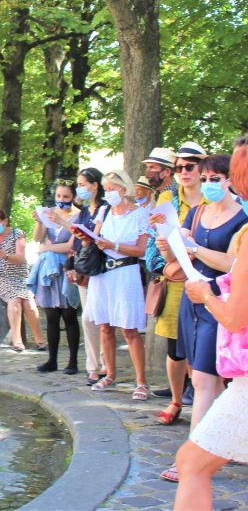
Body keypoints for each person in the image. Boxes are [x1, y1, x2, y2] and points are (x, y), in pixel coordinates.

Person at [157, 153, 248, 482]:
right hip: (192, 299)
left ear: (230, 180)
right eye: (204, 178)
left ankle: (193, 456)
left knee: (205, 380)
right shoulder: (195, 212)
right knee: (204, 375)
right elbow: (174, 250)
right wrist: (166, 239)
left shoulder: (242, 220)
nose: (208, 184)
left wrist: (193, 248)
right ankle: (222, 445)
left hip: (221, 302)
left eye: (215, 179)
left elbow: (233, 266)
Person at [148, 142, 207, 426]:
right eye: (179, 167)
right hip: (176, 282)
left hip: (210, 279)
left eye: (190, 166)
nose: (184, 172)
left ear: (202, 167)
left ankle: (205, 402)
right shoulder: (167, 201)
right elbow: (159, 247)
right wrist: (165, 255)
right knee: (176, 347)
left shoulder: (215, 198)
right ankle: (176, 399)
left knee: (207, 347)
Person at [80, 170, 150, 400]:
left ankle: (141, 381)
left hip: (126, 271)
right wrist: (87, 239)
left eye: (112, 189)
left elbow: (141, 250)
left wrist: (115, 245)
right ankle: (109, 373)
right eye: (106, 189)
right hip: (103, 273)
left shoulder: (140, 214)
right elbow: (96, 237)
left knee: (129, 328)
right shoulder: (104, 211)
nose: (108, 193)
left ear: (124, 189)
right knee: (105, 325)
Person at [30, 180, 81, 374]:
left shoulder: (78, 215)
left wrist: (47, 247)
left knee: (69, 314)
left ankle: (73, 361)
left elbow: (71, 244)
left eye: (66, 197)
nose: (61, 200)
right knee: (51, 315)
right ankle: (52, 359)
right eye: (59, 196)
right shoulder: (49, 212)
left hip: (68, 264)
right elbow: (37, 238)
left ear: (73, 197)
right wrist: (40, 221)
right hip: (49, 267)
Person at [0, 209, 44, 351]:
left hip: (19, 277)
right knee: (14, 299)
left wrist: (6, 256)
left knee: (29, 303)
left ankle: (39, 339)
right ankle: (17, 340)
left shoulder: (17, 234)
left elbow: (20, 258)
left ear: (5, 222)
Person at [70, 167, 108, 385]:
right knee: (89, 318)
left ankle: (103, 364)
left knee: (94, 318)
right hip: (85, 269)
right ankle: (93, 366)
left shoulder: (104, 209)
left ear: (95, 186)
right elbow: (77, 241)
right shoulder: (84, 212)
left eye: (83, 184)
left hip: (100, 268)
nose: (79, 188)